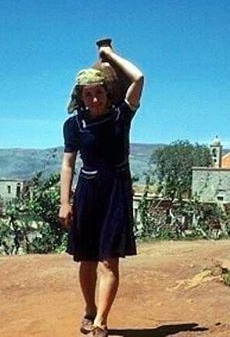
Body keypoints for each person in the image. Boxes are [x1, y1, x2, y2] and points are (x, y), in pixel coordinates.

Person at [58, 45, 144, 337]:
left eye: (99, 92)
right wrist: (65, 203)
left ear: (108, 93)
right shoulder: (74, 125)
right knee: (87, 259)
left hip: (116, 194)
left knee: (109, 259)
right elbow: (68, 165)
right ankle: (89, 309)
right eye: (88, 94)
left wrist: (109, 55)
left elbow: (139, 78)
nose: (94, 99)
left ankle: (101, 322)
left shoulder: (122, 116)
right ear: (81, 97)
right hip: (88, 194)